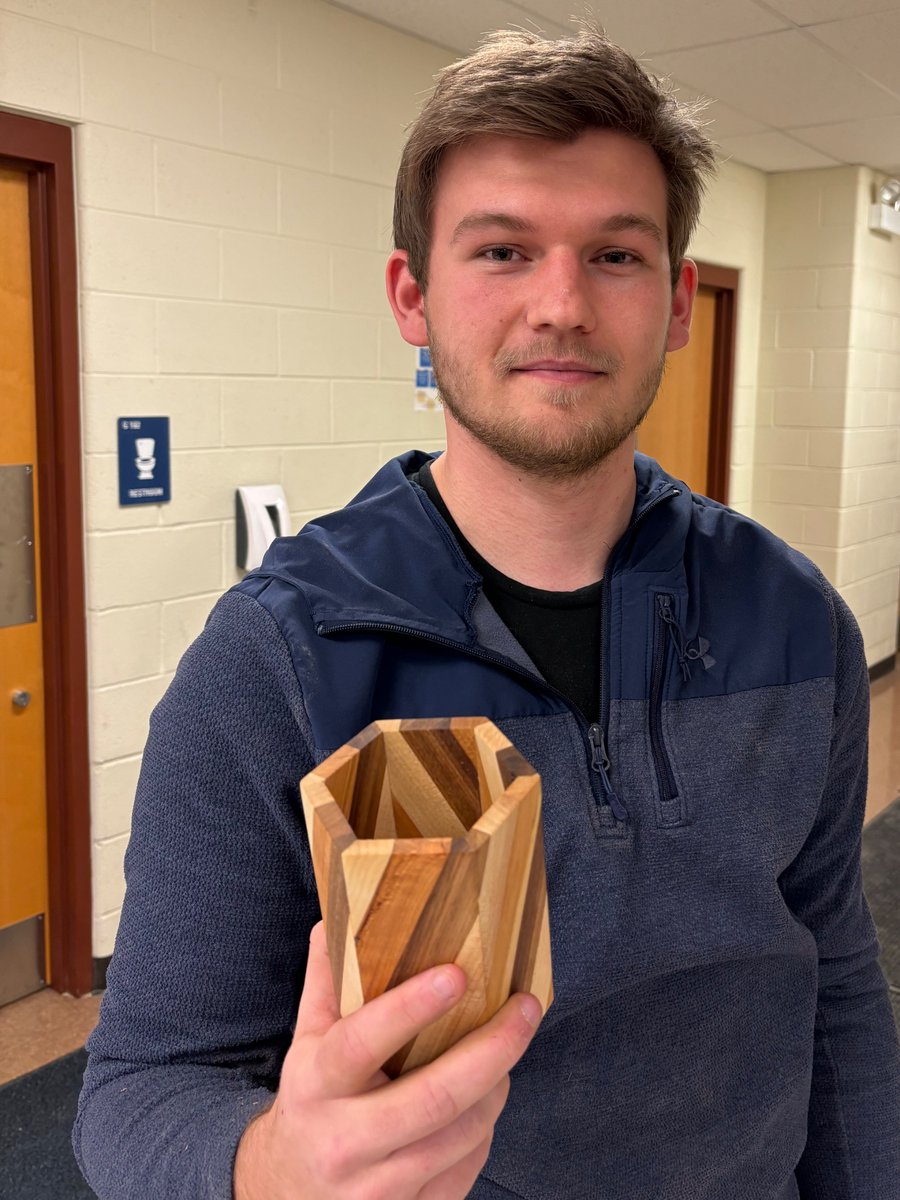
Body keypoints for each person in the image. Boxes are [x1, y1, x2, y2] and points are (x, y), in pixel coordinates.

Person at [75, 23, 900, 1200]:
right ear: (413, 297)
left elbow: (836, 985)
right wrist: (268, 1167)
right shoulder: (276, 663)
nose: (561, 304)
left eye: (617, 256)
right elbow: (144, 1090)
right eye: (504, 251)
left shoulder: (797, 621)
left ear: (676, 304)